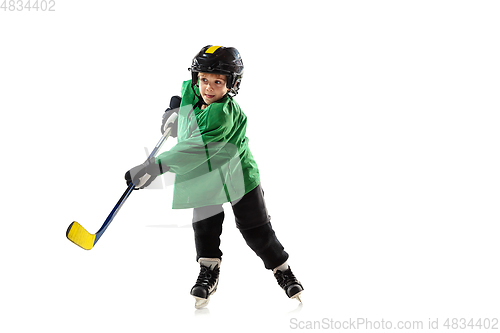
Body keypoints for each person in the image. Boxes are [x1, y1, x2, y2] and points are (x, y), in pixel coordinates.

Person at [125, 45, 303, 309]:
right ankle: (209, 271)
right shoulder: (195, 90)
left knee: (255, 230)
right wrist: (173, 113)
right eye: (203, 79)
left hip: (236, 175)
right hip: (203, 175)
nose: (208, 88)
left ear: (231, 85)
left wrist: (155, 167)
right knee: (205, 226)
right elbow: (187, 104)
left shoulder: (223, 115)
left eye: (217, 82)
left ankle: (282, 268)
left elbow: (195, 148)